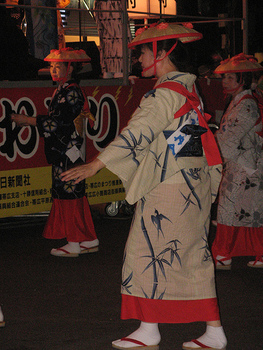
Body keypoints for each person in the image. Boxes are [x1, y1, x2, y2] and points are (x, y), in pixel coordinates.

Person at [61, 22, 227, 350]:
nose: (139, 58)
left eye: (143, 52)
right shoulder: (188, 89)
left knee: (145, 253)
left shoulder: (166, 92)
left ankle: (151, 328)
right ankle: (208, 330)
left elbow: (140, 130)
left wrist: (97, 164)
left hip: (170, 188)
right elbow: (177, 138)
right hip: (191, 182)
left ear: (163, 53)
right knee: (192, 256)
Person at [11, 48, 99, 258]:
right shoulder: (67, 89)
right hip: (70, 149)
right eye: (51, 65)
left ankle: (74, 242)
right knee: (74, 192)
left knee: (68, 192)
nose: (52, 69)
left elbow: (59, 124)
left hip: (68, 150)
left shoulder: (71, 91)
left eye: (57, 65)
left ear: (69, 69)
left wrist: (27, 121)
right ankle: (87, 238)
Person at [211, 53, 263, 269]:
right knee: (249, 211)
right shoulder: (242, 102)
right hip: (244, 165)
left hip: (245, 167)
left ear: (243, 80)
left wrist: (210, 145)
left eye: (230, 78)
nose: (225, 82)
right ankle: (257, 254)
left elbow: (228, 139)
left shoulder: (246, 105)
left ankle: (223, 254)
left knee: (230, 209)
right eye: (224, 78)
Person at [93, 0, 132, 78]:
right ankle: (117, 69)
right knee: (118, 34)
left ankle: (110, 69)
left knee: (108, 35)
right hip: (112, 5)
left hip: (103, 5)